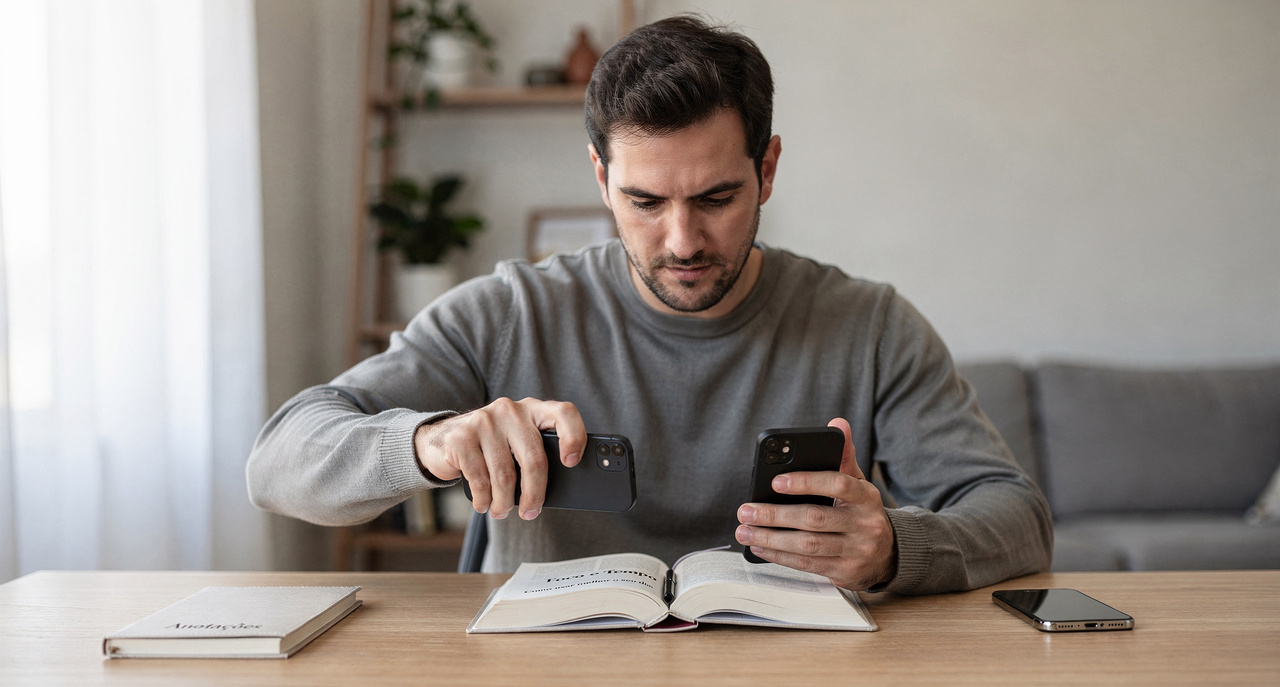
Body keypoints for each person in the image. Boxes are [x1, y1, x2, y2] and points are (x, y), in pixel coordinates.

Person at [248, 15, 1052, 594]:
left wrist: (891, 551)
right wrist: (428, 442)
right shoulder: (510, 313)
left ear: (767, 170)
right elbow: (278, 461)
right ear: (600, 178)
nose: (681, 240)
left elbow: (1017, 517)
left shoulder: (869, 326)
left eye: (717, 197)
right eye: (642, 201)